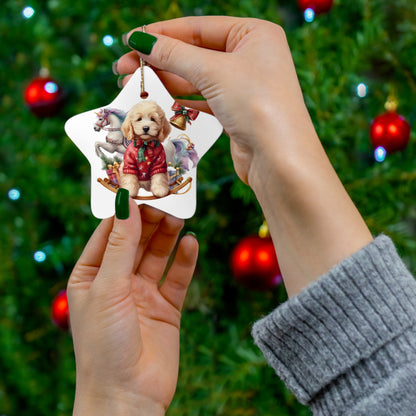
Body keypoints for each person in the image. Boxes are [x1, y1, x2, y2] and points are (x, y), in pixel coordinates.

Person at [67, 16, 416, 415]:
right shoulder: (127, 144)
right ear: (131, 123)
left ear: (160, 125)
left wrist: (113, 400)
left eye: (151, 120)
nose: (145, 125)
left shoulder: (165, 142)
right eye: (140, 120)